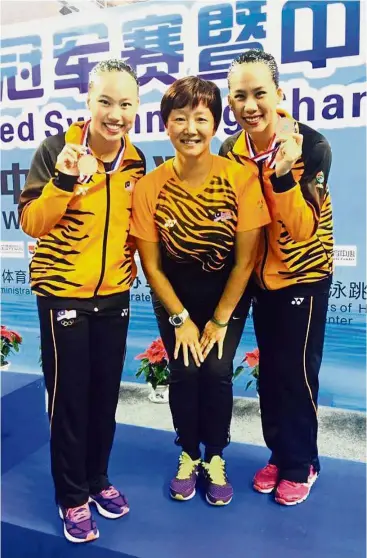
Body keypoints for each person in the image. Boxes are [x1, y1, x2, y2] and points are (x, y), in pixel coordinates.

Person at [18, 59, 145, 542]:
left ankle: (97, 479)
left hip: (114, 294)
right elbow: (32, 221)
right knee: (69, 401)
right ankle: (71, 496)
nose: (116, 113)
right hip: (63, 294)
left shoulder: (136, 160)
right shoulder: (56, 150)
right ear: (88, 102)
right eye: (106, 102)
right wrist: (66, 180)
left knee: (103, 397)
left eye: (126, 103)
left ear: (137, 107)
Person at [131, 76, 270, 506]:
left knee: (215, 371)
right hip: (174, 293)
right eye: (179, 119)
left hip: (225, 294)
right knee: (185, 370)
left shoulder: (240, 179)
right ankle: (188, 454)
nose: (190, 128)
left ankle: (216, 456)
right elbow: (151, 264)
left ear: (214, 124)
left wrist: (218, 320)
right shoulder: (151, 186)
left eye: (200, 118)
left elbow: (245, 260)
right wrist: (180, 319)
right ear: (166, 126)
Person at [220, 49, 333, 506]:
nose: (250, 105)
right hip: (256, 279)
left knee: (296, 374)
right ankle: (280, 452)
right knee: (269, 375)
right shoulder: (231, 150)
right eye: (240, 96)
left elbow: (304, 226)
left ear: (279, 94)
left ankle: (302, 462)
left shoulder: (313, 145)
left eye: (259, 93)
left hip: (302, 277)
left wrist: (283, 176)